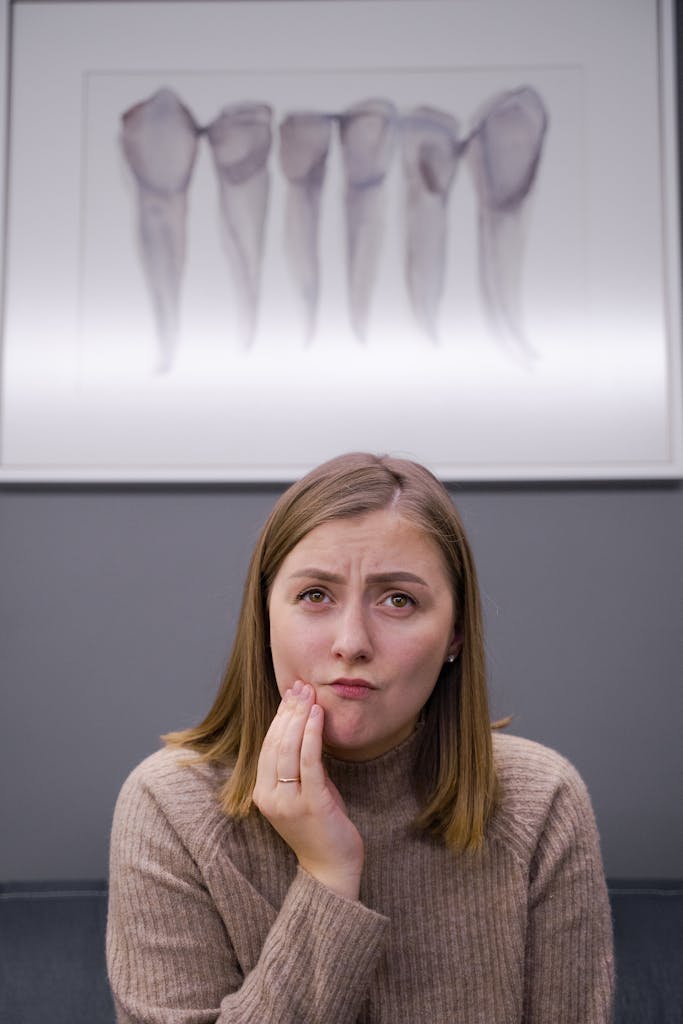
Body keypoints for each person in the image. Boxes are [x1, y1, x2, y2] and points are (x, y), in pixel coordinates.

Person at [107, 452, 614, 1023]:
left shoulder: (541, 801)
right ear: (265, 617)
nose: (351, 642)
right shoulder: (169, 807)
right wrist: (327, 877)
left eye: (399, 600)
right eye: (315, 595)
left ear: (456, 634)